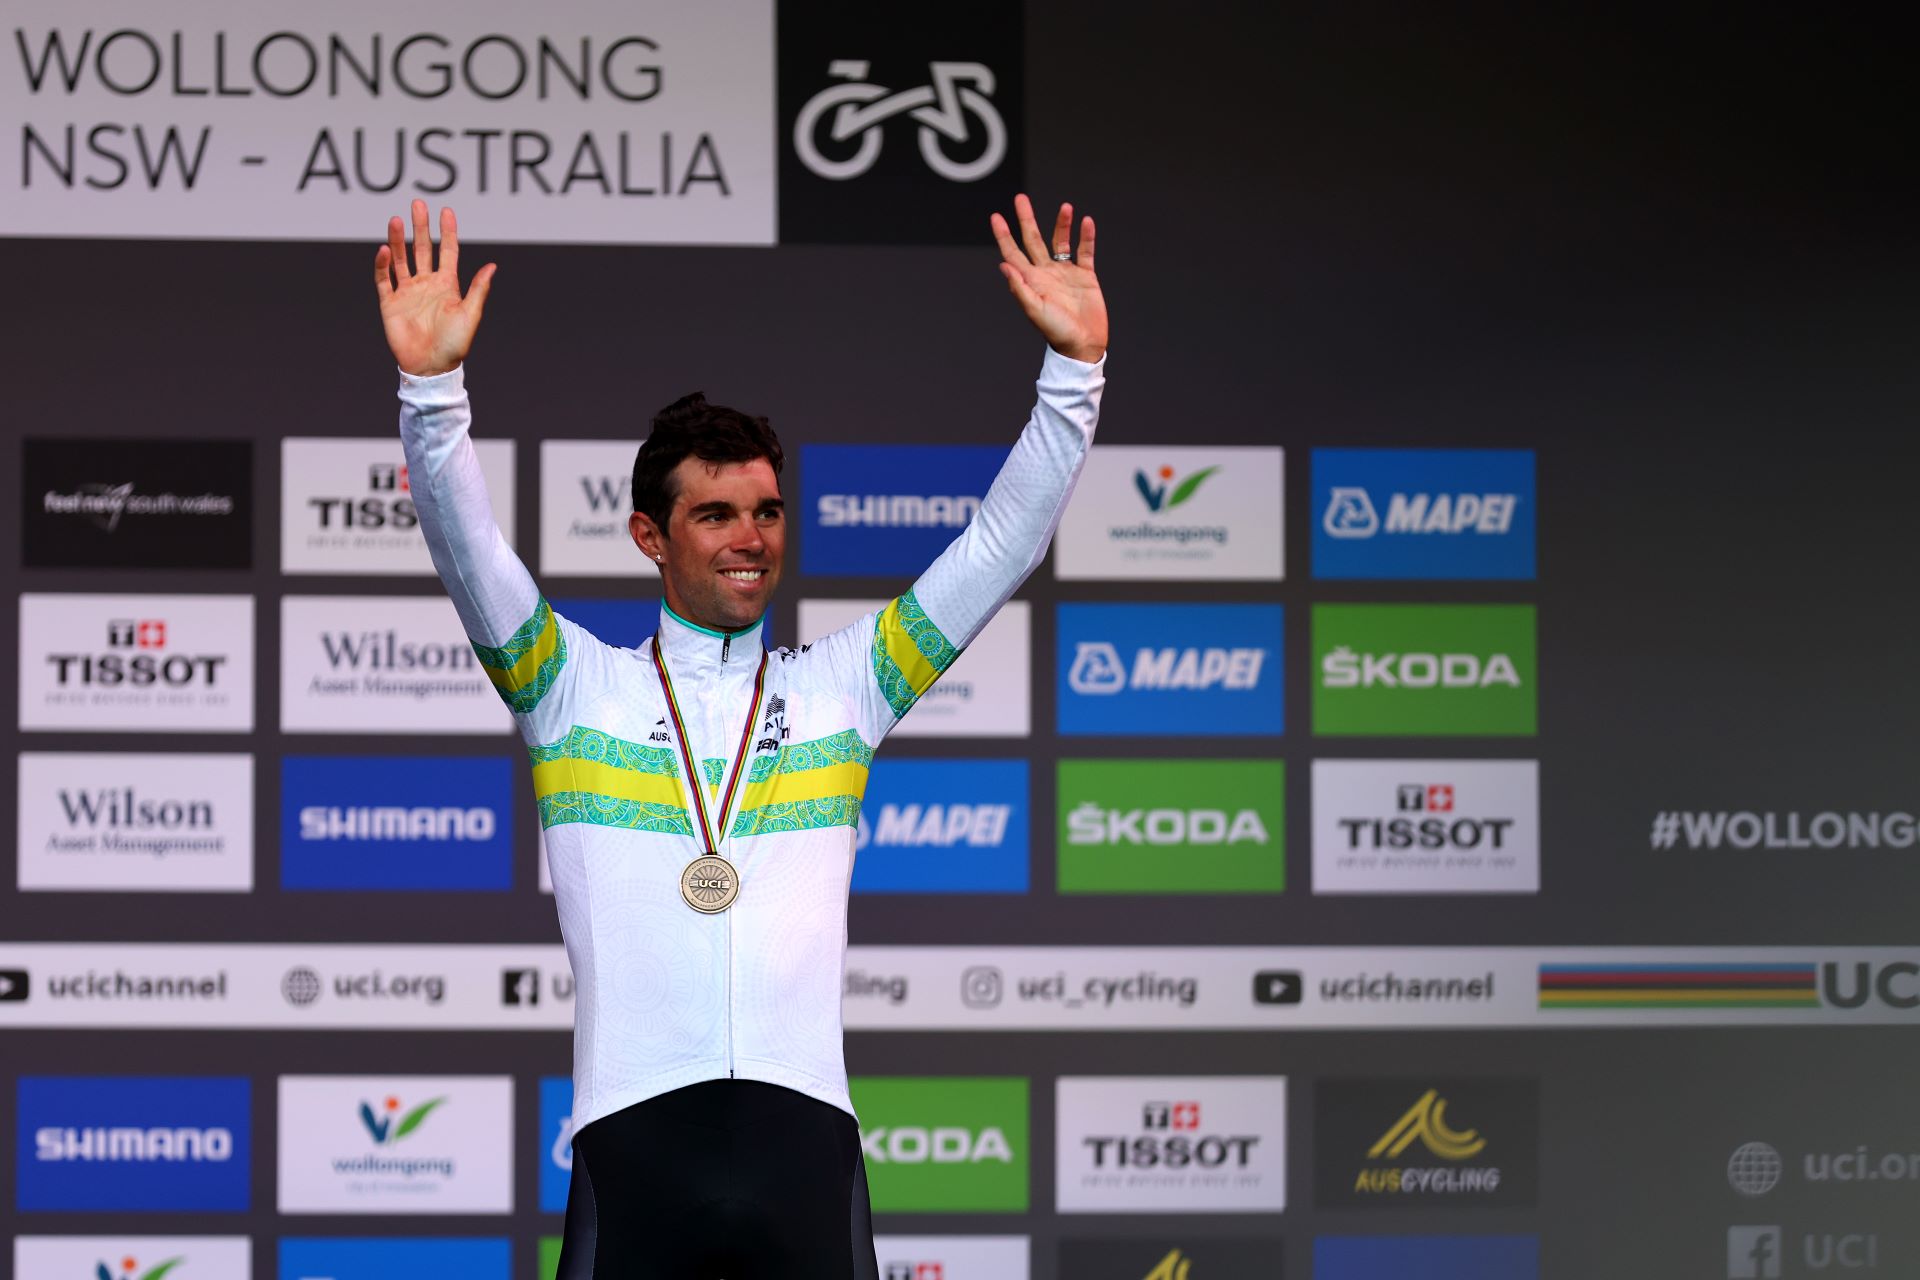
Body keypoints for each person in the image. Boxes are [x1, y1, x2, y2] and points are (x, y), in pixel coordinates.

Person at [374, 194, 1107, 1278]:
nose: (750, 538)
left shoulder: (847, 688)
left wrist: (1074, 377)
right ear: (649, 536)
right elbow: (463, 544)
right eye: (715, 513)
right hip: (634, 1136)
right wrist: (431, 393)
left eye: (766, 510)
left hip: (804, 1138)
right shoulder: (570, 687)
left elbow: (1001, 543)